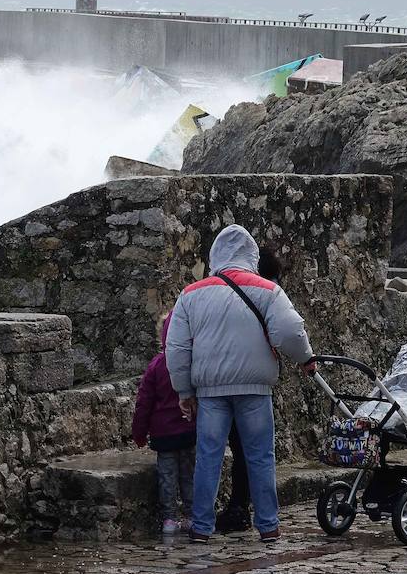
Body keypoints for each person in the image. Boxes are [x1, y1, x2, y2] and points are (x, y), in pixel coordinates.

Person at [165, 226, 314, 543]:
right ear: (252, 256)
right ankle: (268, 525)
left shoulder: (191, 294)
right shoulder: (268, 291)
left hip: (210, 391)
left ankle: (201, 527)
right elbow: (289, 331)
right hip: (255, 388)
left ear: (214, 255)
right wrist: (305, 359)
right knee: (260, 456)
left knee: (209, 457)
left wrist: (184, 391)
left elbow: (177, 348)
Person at [218, 244, 283, 533]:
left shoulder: (223, 290)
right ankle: (261, 518)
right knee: (256, 451)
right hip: (256, 383)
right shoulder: (271, 294)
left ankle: (228, 511)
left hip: (218, 381)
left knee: (220, 449)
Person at [132, 311, 196, 535]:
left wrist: (139, 433)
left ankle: (169, 519)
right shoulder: (192, 362)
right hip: (189, 431)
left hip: (164, 435)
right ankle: (191, 516)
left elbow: (144, 403)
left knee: (167, 479)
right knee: (189, 476)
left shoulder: (156, 366)